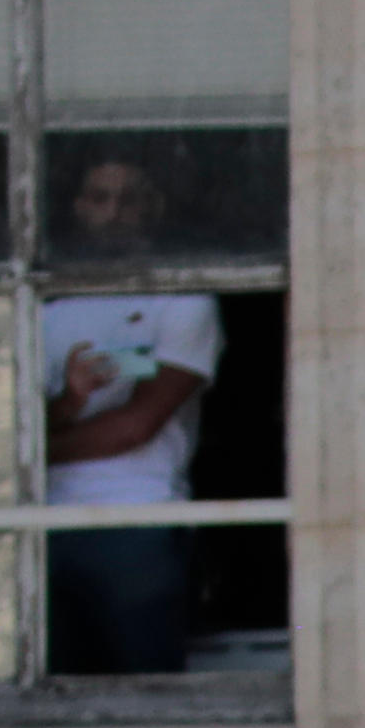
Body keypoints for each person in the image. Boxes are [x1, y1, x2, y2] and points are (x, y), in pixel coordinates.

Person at [38, 155, 223, 678]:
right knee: (54, 696)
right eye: (100, 197)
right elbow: (6, 415)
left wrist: (23, 453)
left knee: (147, 693)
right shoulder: (40, 301)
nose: (115, 211)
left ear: (154, 207)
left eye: (131, 198)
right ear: (78, 207)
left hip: (138, 521)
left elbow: (137, 424)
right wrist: (69, 404)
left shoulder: (183, 300)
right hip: (37, 520)